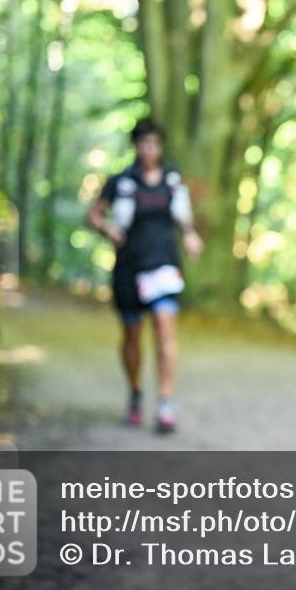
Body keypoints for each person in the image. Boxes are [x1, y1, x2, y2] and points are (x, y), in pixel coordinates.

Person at [88, 119, 203, 433]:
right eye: (143, 143)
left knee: (166, 331)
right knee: (132, 336)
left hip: (163, 265)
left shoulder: (172, 179)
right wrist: (108, 229)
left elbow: (184, 219)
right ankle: (136, 392)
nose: (148, 149)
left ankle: (165, 403)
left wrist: (191, 236)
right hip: (129, 267)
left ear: (160, 146)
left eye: (154, 143)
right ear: (136, 146)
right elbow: (94, 215)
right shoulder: (121, 181)